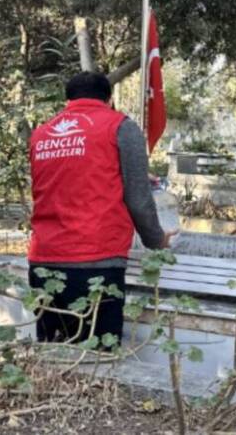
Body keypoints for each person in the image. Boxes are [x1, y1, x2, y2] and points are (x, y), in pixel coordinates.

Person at [27, 72, 175, 345]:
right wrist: (157, 240)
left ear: (68, 99)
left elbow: (64, 179)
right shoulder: (121, 127)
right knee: (98, 359)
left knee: (50, 354)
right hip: (96, 262)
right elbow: (139, 200)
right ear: (109, 98)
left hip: (43, 261)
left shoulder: (41, 134)